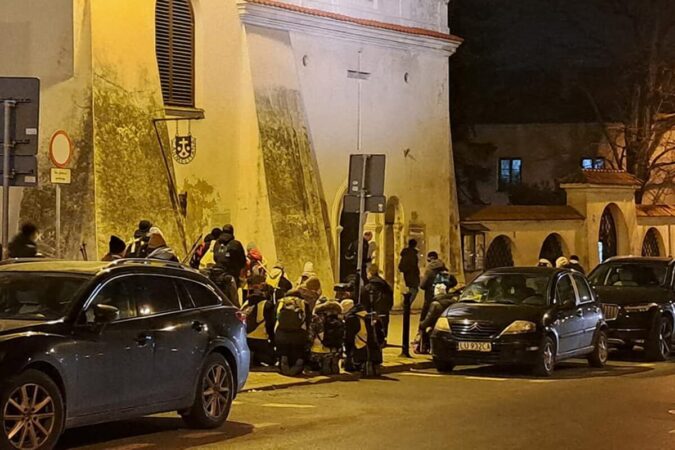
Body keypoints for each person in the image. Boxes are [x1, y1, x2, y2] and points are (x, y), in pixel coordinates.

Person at [241, 275, 276, 367]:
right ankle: (257, 357)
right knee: (272, 359)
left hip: (245, 338)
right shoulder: (267, 304)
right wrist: (273, 340)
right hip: (261, 339)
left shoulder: (246, 303)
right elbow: (270, 324)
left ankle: (252, 357)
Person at [415, 283, 461, 354]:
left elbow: (428, 320)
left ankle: (423, 348)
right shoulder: (453, 302)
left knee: (426, 329)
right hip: (451, 327)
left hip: (438, 328)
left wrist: (421, 325)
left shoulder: (436, 304)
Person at [275, 290, 312, 376]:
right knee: (298, 350)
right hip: (299, 332)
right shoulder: (303, 303)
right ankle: (298, 364)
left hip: (282, 332)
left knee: (283, 349)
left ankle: (283, 360)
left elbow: (275, 317)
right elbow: (308, 319)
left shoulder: (280, 302)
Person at [309, 296, 345, 375]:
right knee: (334, 366)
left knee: (321, 367)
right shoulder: (338, 318)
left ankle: (325, 368)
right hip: (335, 348)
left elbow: (311, 333)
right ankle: (334, 368)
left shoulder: (317, 318)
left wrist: (308, 345)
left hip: (318, 347)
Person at [212, 224, 247, 305]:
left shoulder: (216, 243)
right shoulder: (236, 244)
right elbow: (243, 261)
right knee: (234, 301)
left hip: (217, 275)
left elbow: (215, 258)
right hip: (231, 275)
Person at [359, 264, 394, 341]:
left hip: (373, 309)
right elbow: (390, 296)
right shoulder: (385, 285)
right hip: (384, 309)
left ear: (370, 273)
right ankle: (383, 338)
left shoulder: (368, 287)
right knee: (383, 323)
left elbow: (364, 300)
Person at [419, 251, 451, 322]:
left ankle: (423, 325)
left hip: (430, 293)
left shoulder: (429, 269)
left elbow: (423, 284)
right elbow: (453, 281)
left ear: (430, 258)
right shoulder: (444, 268)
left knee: (427, 309)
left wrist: (424, 286)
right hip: (443, 294)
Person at [398, 239, 421, 305]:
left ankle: (405, 303)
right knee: (414, 290)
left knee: (412, 290)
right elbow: (414, 265)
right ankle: (406, 304)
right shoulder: (412, 254)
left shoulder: (406, 253)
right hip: (412, 274)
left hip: (407, 274)